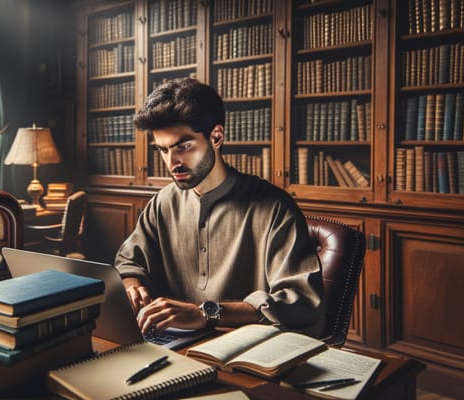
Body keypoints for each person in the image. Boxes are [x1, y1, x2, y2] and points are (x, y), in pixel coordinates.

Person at [115, 78, 324, 338]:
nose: (172, 163)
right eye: (163, 150)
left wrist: (205, 313)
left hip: (245, 349)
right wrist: (132, 284)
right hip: (174, 345)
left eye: (183, 146)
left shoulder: (275, 208)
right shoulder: (162, 203)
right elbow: (129, 261)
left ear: (216, 137)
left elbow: (301, 302)